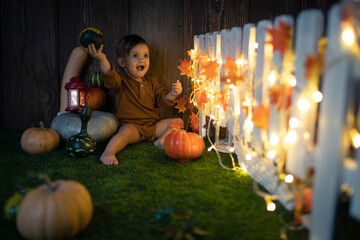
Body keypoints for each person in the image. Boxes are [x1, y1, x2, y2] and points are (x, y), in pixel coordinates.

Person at [86, 34, 183, 165]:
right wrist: (102, 59)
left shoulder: (152, 82)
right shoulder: (120, 81)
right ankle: (108, 152)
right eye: (135, 56)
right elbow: (110, 76)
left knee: (178, 121)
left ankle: (162, 140)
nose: (141, 60)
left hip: (152, 127)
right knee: (124, 133)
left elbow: (162, 99)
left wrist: (173, 93)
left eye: (145, 55)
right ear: (122, 62)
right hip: (133, 127)